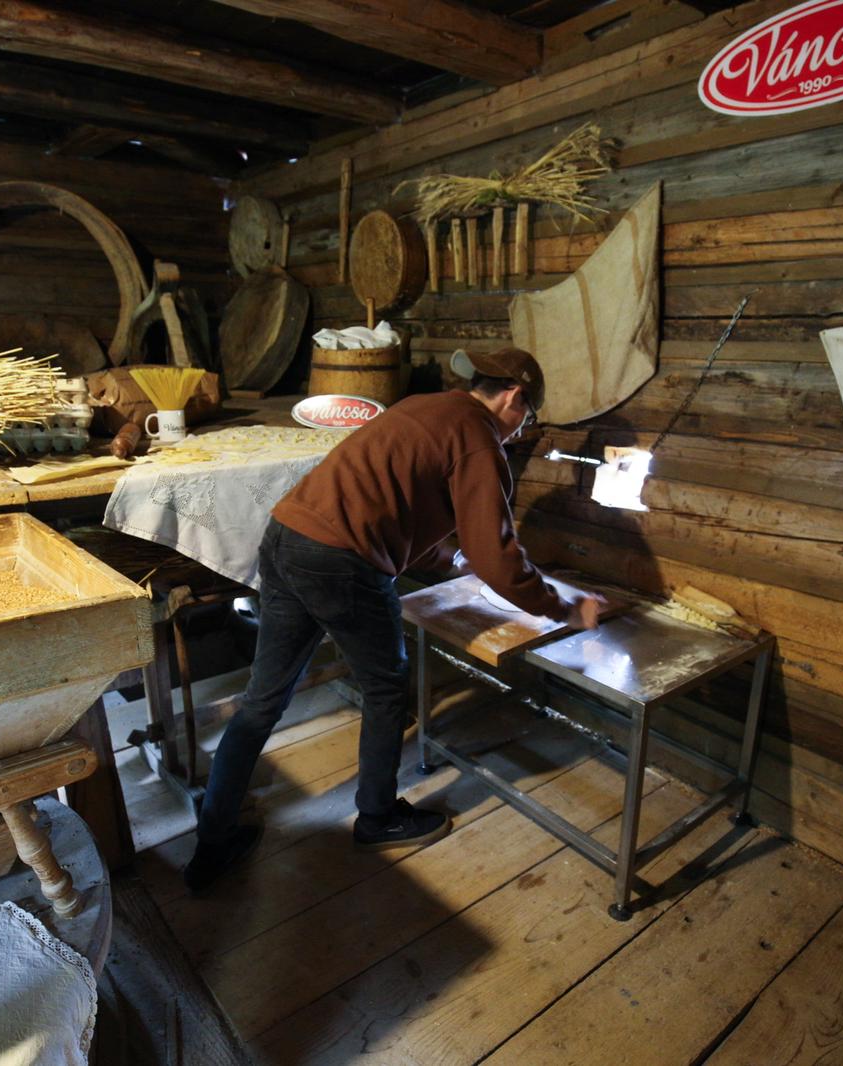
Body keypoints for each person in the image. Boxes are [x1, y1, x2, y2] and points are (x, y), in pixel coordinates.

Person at [183, 347, 607, 891]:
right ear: (514, 396)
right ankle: (379, 818)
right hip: (341, 562)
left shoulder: (422, 408)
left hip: (288, 536)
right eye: (524, 420)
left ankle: (211, 845)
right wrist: (566, 606)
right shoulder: (478, 438)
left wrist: (453, 558)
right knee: (386, 690)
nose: (517, 432)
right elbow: (497, 556)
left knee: (262, 701)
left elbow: (396, 507)